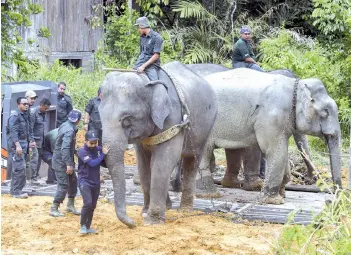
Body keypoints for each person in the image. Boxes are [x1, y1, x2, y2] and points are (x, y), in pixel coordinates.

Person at [50, 109, 81, 217]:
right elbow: (64, 148)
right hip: (61, 162)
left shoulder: (65, 125)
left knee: (73, 182)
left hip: (65, 159)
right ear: (78, 120)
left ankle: (70, 205)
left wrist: (76, 152)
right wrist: (68, 164)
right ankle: (54, 207)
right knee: (63, 185)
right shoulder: (69, 130)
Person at [77, 130, 110, 234]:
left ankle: (88, 226)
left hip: (95, 181)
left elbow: (103, 159)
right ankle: (82, 225)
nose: (93, 145)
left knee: (93, 206)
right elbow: (93, 163)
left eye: (95, 142)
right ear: (86, 141)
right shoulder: (82, 151)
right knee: (87, 203)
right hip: (84, 181)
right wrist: (103, 155)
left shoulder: (98, 149)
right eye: (91, 143)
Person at [7, 97, 36, 198]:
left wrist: (30, 142)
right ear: (18, 104)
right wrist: (17, 145)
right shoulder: (15, 116)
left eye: (27, 104)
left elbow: (28, 130)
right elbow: (13, 132)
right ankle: (16, 192)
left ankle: (15, 190)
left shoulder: (25, 116)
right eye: (24, 104)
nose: (26, 105)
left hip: (24, 145)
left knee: (20, 168)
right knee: (20, 169)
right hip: (17, 146)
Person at [133, 16, 163, 81]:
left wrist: (143, 66)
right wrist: (138, 65)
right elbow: (141, 52)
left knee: (155, 84)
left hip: (151, 66)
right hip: (140, 63)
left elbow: (156, 56)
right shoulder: (142, 37)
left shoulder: (157, 37)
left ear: (142, 26)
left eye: (138, 27)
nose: (138, 30)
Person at [29, 98, 51, 181]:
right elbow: (30, 129)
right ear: (41, 105)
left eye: (47, 108)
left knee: (39, 157)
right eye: (45, 108)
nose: (46, 110)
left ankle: (35, 175)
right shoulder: (33, 113)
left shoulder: (43, 113)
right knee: (34, 158)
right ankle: (32, 177)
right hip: (35, 140)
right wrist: (32, 141)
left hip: (41, 140)